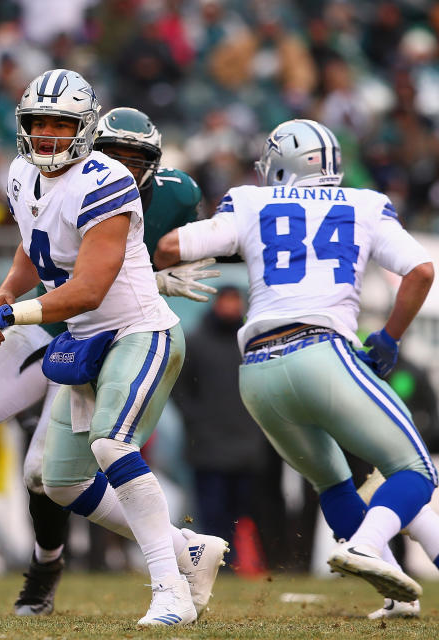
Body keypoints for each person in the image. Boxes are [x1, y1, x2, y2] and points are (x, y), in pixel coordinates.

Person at [0, 106, 226, 618]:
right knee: (46, 472)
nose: (123, 168)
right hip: (62, 330)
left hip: (116, 328)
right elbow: (36, 245)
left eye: (135, 159)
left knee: (91, 452)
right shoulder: (33, 174)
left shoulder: (151, 191)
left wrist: (154, 276)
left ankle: (155, 587)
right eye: (113, 155)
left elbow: (99, 279)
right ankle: (184, 549)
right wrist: (5, 298)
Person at [155, 118, 439, 609]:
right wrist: (389, 338)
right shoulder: (365, 204)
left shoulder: (250, 201)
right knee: (413, 468)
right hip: (322, 352)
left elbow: (169, 248)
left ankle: (397, 596)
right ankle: (369, 545)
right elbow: (421, 271)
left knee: (332, 481)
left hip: (259, 374)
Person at [171, 286, 282, 569]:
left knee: (242, 511)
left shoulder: (250, 345)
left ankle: (235, 563)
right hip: (208, 445)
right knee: (211, 510)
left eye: (236, 302)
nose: (231, 307)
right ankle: (210, 563)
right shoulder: (195, 342)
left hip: (247, 445)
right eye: (227, 301)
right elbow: (178, 388)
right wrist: (197, 419)